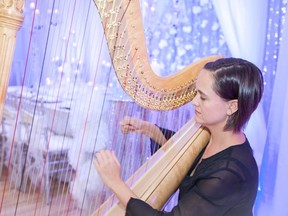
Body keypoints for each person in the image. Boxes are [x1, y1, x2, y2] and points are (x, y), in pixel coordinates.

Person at [93, 57, 264, 215]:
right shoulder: (215, 136)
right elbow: (191, 153)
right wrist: (148, 129)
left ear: (232, 107)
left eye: (203, 98)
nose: (194, 101)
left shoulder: (229, 174)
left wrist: (116, 183)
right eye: (196, 93)